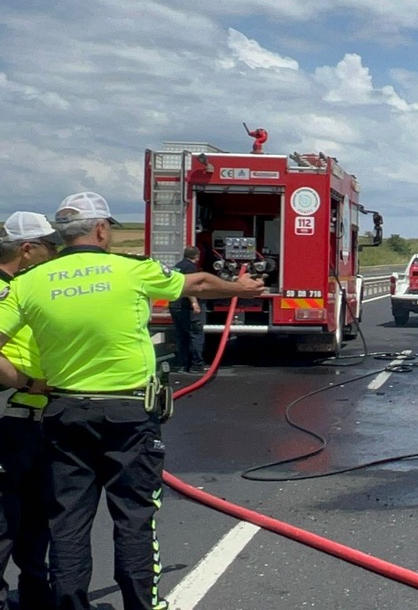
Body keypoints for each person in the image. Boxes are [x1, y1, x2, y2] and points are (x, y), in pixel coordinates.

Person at [0, 192, 265, 610]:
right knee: (134, 517)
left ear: (62, 236)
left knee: (67, 521)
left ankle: (69, 604)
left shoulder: (29, 283)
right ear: (102, 230)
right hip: (127, 414)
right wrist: (241, 287)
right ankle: (142, 605)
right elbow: (195, 283)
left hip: (64, 412)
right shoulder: (130, 271)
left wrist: (29, 382)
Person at [0, 212, 61, 610]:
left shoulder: (23, 287)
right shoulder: (6, 292)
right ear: (27, 250)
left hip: (35, 420)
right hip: (9, 417)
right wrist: (25, 382)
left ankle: (36, 594)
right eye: (50, 247)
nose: (55, 255)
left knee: (37, 514)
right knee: (5, 516)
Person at [167, 246, 205, 374]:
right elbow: (189, 287)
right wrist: (194, 303)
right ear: (197, 256)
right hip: (185, 306)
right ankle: (196, 365)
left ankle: (183, 364)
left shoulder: (178, 266)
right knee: (195, 334)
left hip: (174, 305)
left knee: (181, 336)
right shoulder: (190, 268)